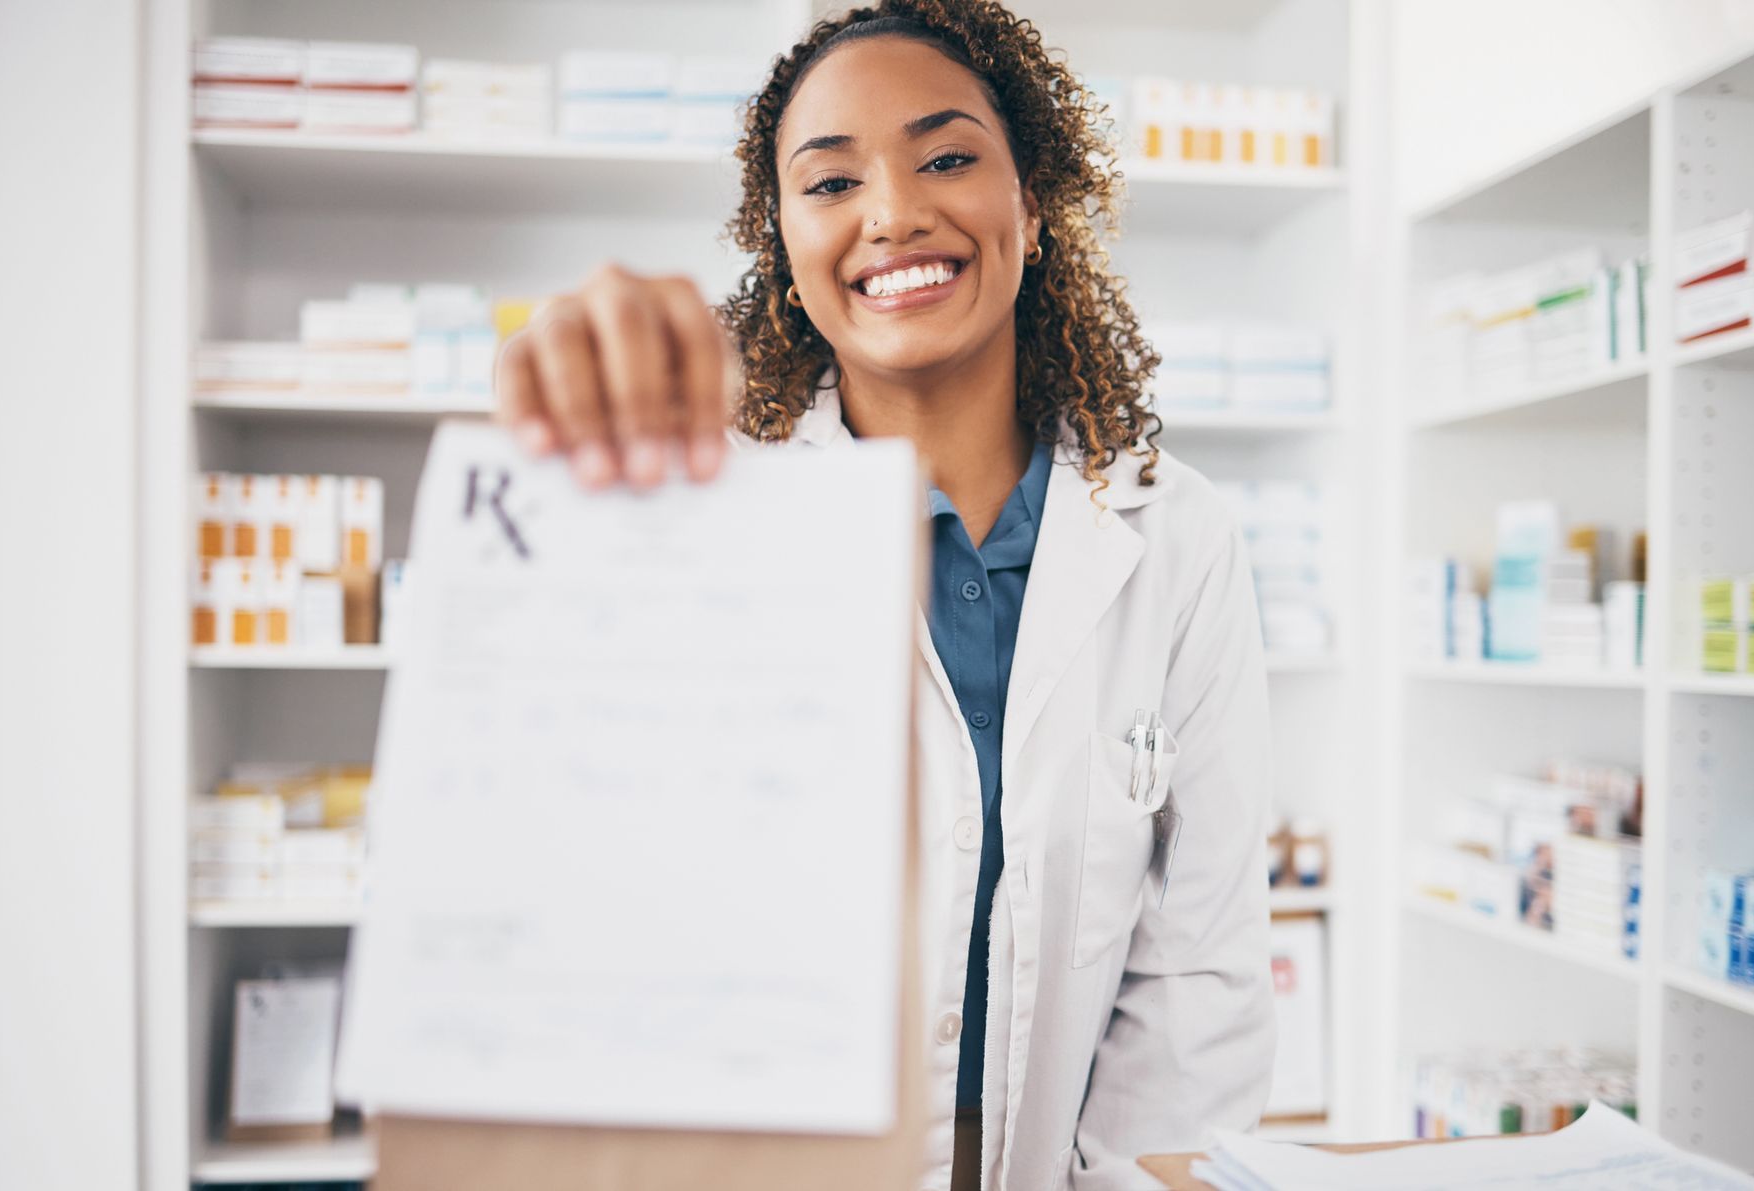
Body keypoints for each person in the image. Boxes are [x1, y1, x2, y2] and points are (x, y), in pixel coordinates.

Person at [494, 2, 1275, 1187]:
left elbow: (1196, 983)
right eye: (830, 182)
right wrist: (569, 429)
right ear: (786, 251)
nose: (895, 213)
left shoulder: (1180, 539)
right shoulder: (700, 528)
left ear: (1034, 203)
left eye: (948, 158)